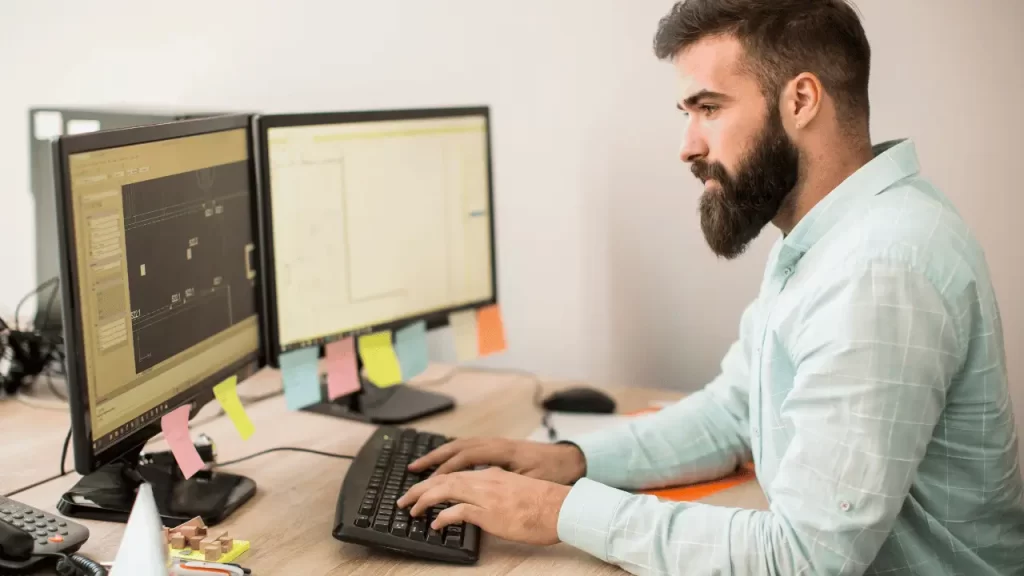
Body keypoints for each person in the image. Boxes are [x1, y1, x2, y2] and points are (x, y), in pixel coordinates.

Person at [397, 0, 1024, 573]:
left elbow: (803, 560)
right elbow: (735, 415)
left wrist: (554, 513)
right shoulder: (828, 235)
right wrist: (571, 462)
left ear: (801, 100)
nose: (687, 145)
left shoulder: (880, 267)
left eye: (710, 108)